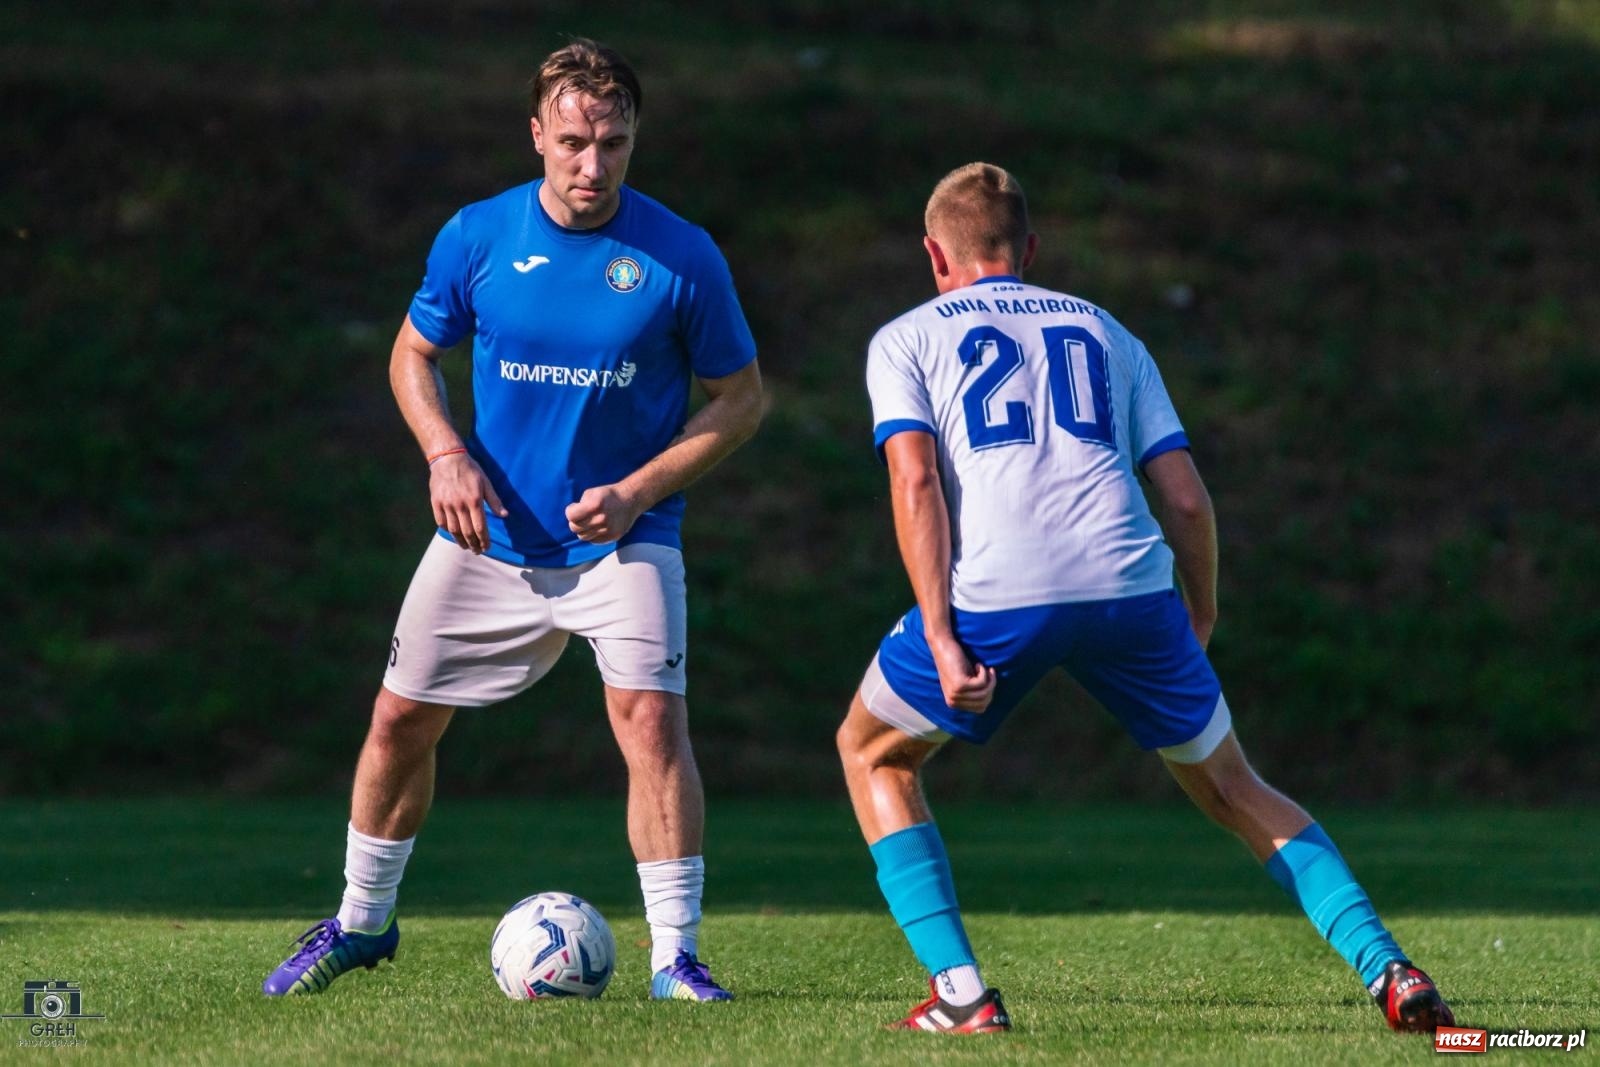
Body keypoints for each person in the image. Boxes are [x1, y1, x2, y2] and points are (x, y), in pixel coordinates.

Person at [835, 162, 1453, 1034]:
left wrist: (939, 632)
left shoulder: (905, 337)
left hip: (999, 591)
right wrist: (1197, 614)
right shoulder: (1107, 329)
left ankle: (962, 993)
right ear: (1032, 250)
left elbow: (915, 483)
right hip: (1132, 580)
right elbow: (1189, 497)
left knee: (873, 754)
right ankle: (1390, 967)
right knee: (1235, 784)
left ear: (935, 255)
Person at [264, 38, 761, 1002]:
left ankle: (676, 958)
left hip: (625, 539)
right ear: (537, 133)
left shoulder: (682, 255)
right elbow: (413, 355)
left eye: (613, 143)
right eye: (574, 141)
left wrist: (640, 490)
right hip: (487, 533)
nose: (592, 165)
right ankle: (363, 923)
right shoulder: (477, 236)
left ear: (634, 138)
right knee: (399, 717)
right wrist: (446, 453)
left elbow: (740, 400)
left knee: (652, 723)